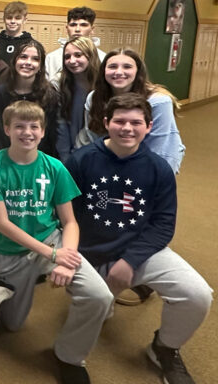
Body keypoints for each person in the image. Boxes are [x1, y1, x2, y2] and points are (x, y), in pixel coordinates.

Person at [66, 94, 212, 384]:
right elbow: (65, 216)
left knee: (197, 295)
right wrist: (81, 260)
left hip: (137, 252)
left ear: (149, 126)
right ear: (106, 123)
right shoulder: (80, 161)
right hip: (88, 254)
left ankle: (164, 349)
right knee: (97, 305)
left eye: (136, 122)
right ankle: (75, 345)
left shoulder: (159, 169)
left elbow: (163, 224)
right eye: (119, 121)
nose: (127, 128)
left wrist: (129, 261)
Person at [0, 101, 113, 384]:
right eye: (19, 126)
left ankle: (70, 355)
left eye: (34, 127)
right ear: (6, 129)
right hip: (12, 250)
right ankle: (8, 278)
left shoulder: (54, 167)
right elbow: (2, 223)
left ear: (42, 132)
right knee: (12, 325)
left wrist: (66, 257)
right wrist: (52, 255)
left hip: (51, 241)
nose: (27, 132)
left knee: (100, 295)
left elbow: (70, 223)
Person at [81, 49, 185, 174]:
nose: (119, 72)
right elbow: (93, 138)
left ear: (138, 71)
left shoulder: (158, 101)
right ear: (104, 71)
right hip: (110, 164)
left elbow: (162, 149)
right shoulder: (94, 98)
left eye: (127, 67)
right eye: (112, 67)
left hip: (147, 167)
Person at [0, 40, 60, 157]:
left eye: (35, 59)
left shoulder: (50, 95)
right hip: (8, 158)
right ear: (15, 61)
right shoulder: (0, 93)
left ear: (41, 66)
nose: (28, 62)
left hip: (39, 159)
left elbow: (50, 136)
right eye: (23, 57)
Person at [55, 37, 101, 163]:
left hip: (96, 152)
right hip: (67, 153)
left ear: (90, 56)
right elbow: (61, 126)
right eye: (67, 57)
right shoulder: (59, 85)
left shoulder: (104, 85)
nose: (72, 61)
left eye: (78, 55)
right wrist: (67, 159)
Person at [45, 7, 106, 83]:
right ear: (67, 28)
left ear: (92, 29)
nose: (77, 29)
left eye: (83, 25)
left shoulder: (103, 57)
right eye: (73, 25)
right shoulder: (51, 58)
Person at [0, 1, 34, 66]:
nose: (13, 21)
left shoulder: (31, 44)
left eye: (17, 18)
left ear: (24, 20)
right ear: (3, 19)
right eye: (9, 18)